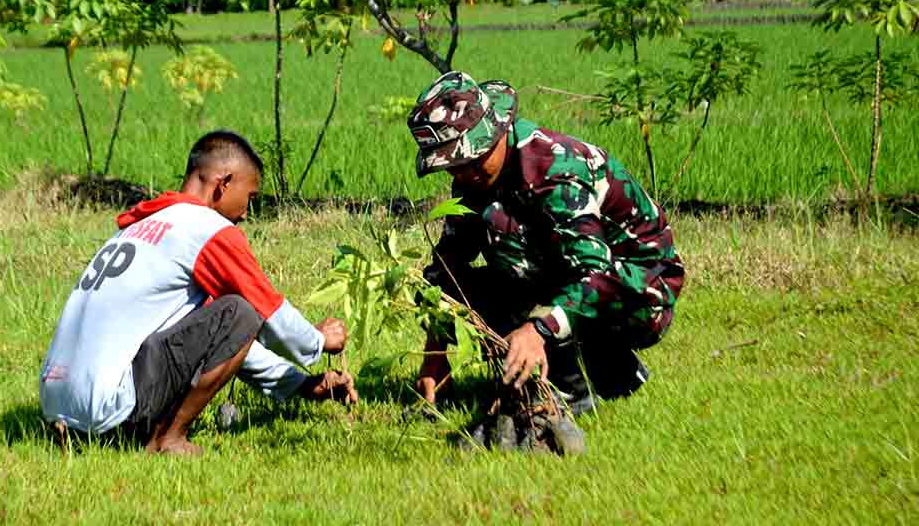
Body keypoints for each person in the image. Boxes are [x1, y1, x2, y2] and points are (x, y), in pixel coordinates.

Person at [39, 130, 357, 456]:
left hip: (56, 406)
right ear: (224, 183)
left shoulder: (141, 225)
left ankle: (121, 433)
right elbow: (264, 312)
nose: (247, 212)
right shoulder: (206, 228)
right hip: (106, 409)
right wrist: (318, 341)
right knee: (241, 311)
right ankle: (168, 439)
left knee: (231, 316)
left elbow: (219, 339)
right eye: (250, 196)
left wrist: (300, 385)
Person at [406, 72, 685, 414]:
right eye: (454, 166)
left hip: (638, 290)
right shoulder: (474, 177)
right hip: (563, 276)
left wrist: (537, 329)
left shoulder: (555, 171)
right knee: (441, 283)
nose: (464, 174)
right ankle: (599, 371)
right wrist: (436, 351)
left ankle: (583, 373)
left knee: (505, 233)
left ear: (497, 132)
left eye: (473, 159)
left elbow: (596, 275)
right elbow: (450, 262)